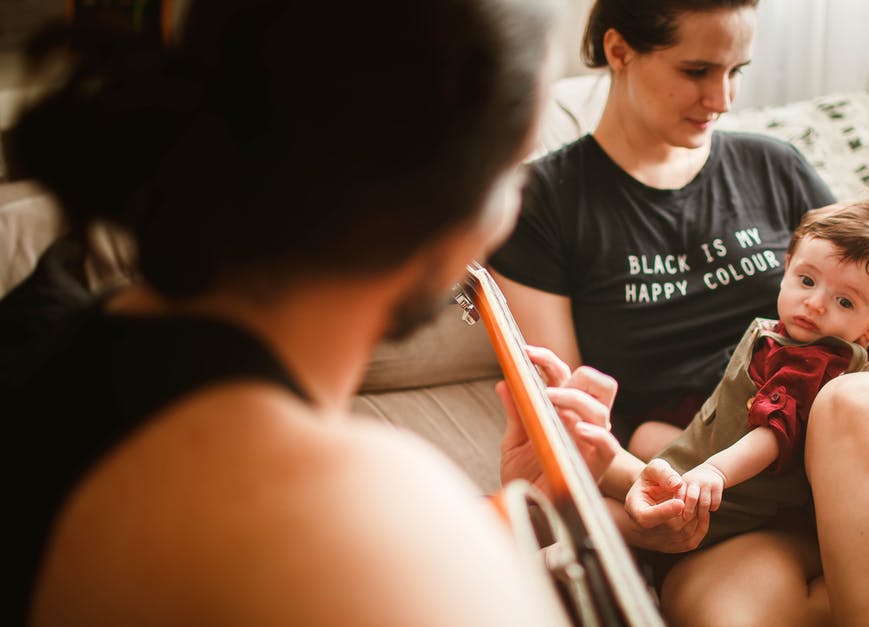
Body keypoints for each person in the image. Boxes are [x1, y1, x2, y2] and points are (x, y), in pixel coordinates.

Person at [489, 0, 869, 625]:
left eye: (737, 70)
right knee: (721, 614)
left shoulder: (772, 166)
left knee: (850, 403)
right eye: (697, 70)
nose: (723, 97)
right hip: (736, 489)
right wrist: (646, 509)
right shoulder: (545, 204)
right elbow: (570, 417)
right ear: (620, 51)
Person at [6, 1, 625, 625]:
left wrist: (512, 506)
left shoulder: (41, 325)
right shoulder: (350, 506)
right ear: (442, 195)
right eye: (512, 175)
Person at [631, 191, 869, 548]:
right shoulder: (785, 336)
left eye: (845, 301)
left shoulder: (818, 360)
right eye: (807, 280)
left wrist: (714, 472)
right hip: (712, 457)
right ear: (788, 264)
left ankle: (566, 557)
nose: (814, 303)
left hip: (731, 495)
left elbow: (774, 434)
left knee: (619, 516)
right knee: (643, 436)